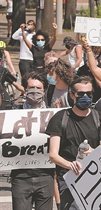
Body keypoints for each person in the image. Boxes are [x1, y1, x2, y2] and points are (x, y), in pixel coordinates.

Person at [46, 76, 101, 210]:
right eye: (81, 94)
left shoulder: (100, 118)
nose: (85, 97)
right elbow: (53, 155)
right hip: (69, 179)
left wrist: (93, 152)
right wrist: (70, 165)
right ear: (72, 95)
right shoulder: (60, 118)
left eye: (89, 94)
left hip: (95, 179)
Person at [10, 71, 55, 210]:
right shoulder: (12, 114)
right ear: (25, 90)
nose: (35, 92)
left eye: (39, 89)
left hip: (45, 175)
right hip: (20, 176)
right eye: (31, 88)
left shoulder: (53, 115)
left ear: (45, 90)